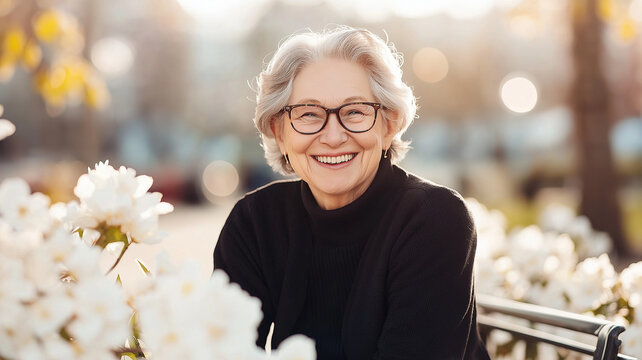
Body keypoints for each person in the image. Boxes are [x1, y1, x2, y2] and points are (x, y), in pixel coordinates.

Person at [213, 25, 489, 360]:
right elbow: (223, 350)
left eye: (355, 111)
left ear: (388, 126)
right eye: (309, 114)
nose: (332, 136)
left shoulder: (436, 219)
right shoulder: (255, 223)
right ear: (279, 132)